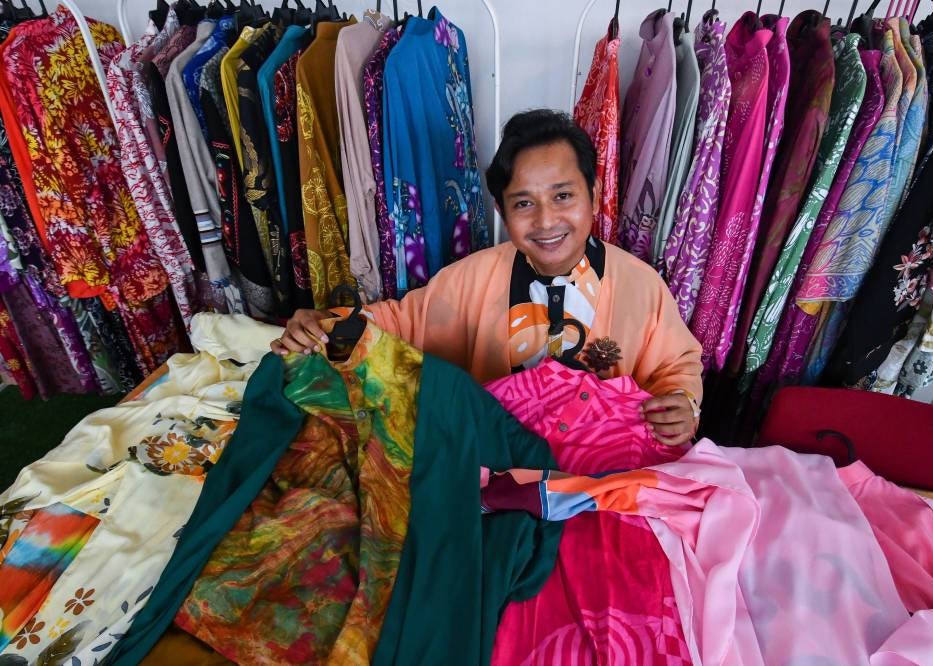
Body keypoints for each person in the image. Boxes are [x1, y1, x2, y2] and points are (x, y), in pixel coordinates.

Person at [272, 109, 703, 445]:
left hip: (600, 478)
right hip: (491, 471)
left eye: (563, 195)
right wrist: (325, 324)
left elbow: (676, 367)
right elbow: (398, 324)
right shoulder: (469, 280)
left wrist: (683, 406)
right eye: (523, 204)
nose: (547, 220)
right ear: (502, 211)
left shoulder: (642, 286)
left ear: (593, 193)